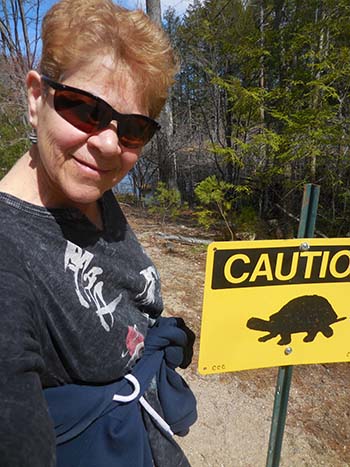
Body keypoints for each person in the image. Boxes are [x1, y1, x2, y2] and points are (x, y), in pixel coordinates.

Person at [0, 1, 197, 466]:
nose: (109, 144)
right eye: (85, 109)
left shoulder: (83, 186)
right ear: (35, 98)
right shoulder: (9, 260)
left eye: (132, 128)